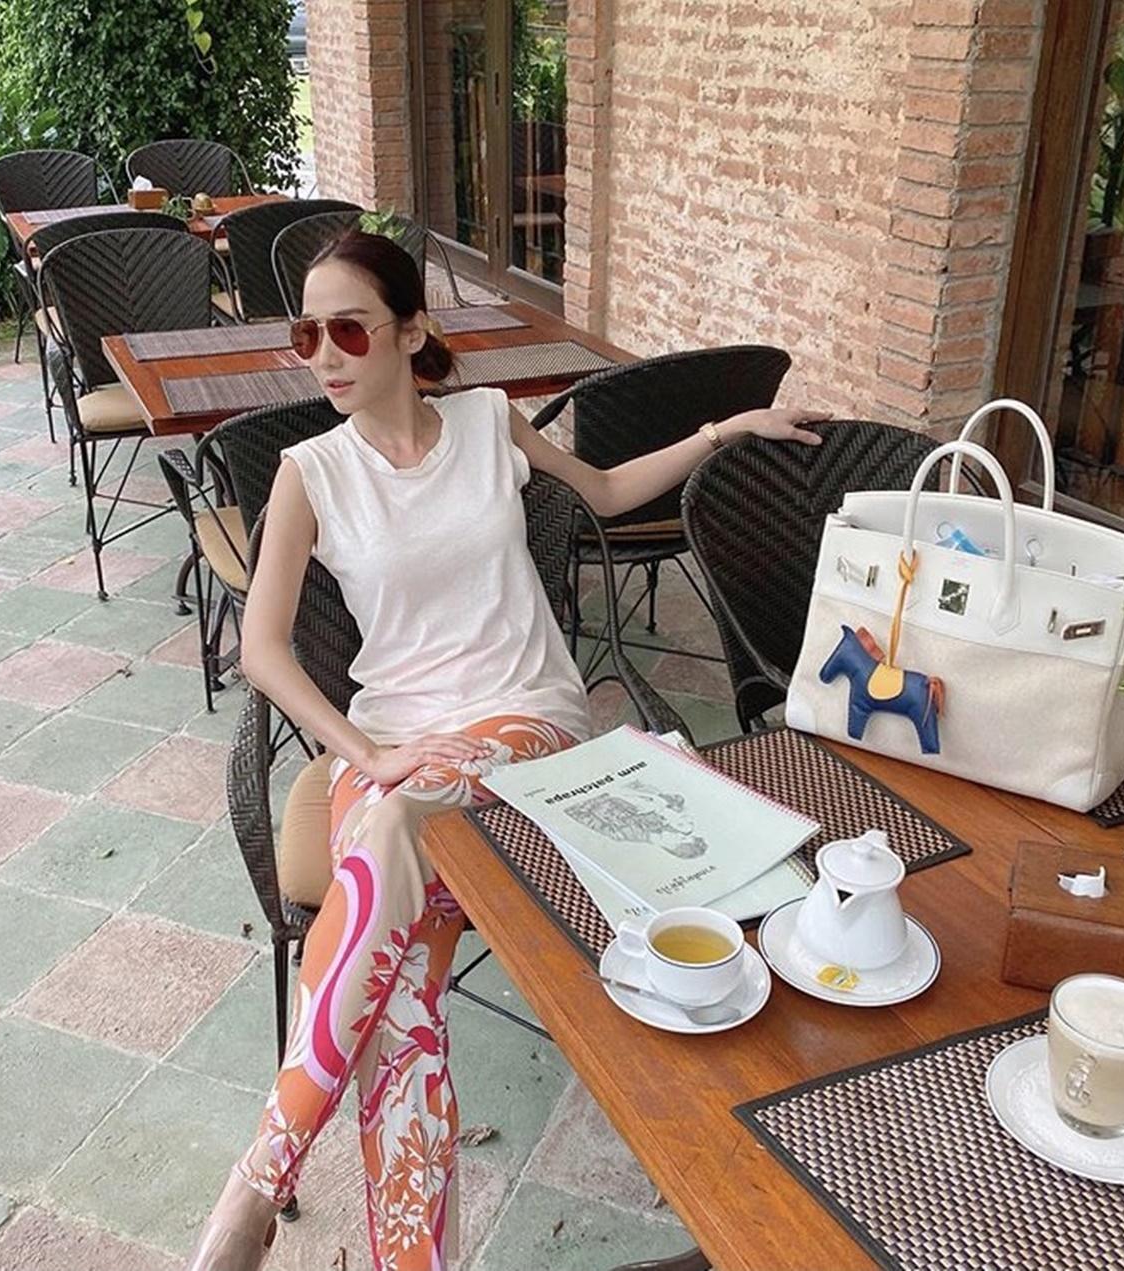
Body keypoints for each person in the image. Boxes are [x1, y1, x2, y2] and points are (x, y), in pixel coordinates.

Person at [184, 230, 826, 1271]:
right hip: (391, 744)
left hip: (524, 725)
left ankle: (252, 1192)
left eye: (349, 329)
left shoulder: (488, 421)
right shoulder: (311, 472)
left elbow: (605, 490)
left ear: (410, 332)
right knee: (402, 987)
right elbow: (261, 647)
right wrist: (361, 749)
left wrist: (725, 427)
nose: (324, 355)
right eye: (306, 333)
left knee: (394, 830)